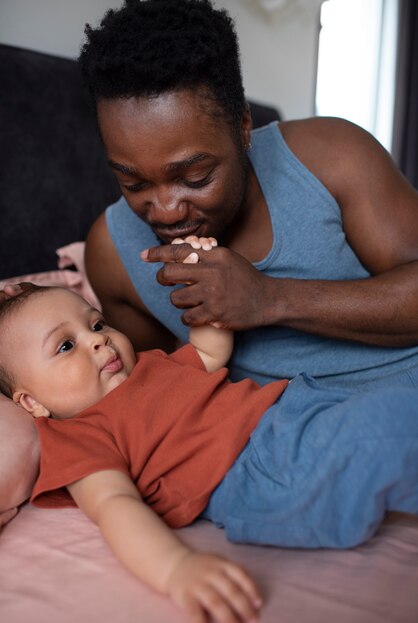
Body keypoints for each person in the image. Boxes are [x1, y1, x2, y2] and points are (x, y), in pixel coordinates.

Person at [1, 279, 418, 623]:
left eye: (96, 324)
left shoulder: (147, 366)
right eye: (65, 346)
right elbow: (114, 506)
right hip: (262, 468)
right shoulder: (77, 437)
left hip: (295, 408)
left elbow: (210, 352)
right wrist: (175, 569)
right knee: (388, 430)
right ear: (31, 403)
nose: (98, 341)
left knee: (396, 404)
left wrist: (202, 288)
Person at [76, 0, 418, 390]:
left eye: (196, 177)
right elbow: (156, 394)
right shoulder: (112, 256)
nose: (167, 212)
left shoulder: (333, 155)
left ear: (242, 126)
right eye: (134, 184)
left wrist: (270, 297)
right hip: (288, 438)